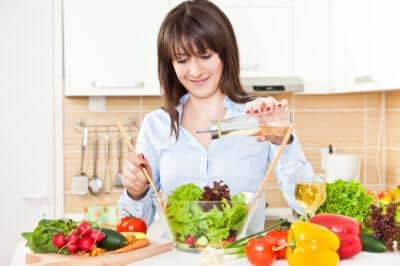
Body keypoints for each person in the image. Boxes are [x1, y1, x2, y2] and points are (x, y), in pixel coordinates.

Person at [118, 0, 313, 233]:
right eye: (182, 60)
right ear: (170, 65)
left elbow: (306, 204)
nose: (195, 71)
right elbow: (132, 226)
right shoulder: (156, 126)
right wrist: (136, 191)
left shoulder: (259, 118)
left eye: (205, 56)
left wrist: (284, 140)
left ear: (225, 54)